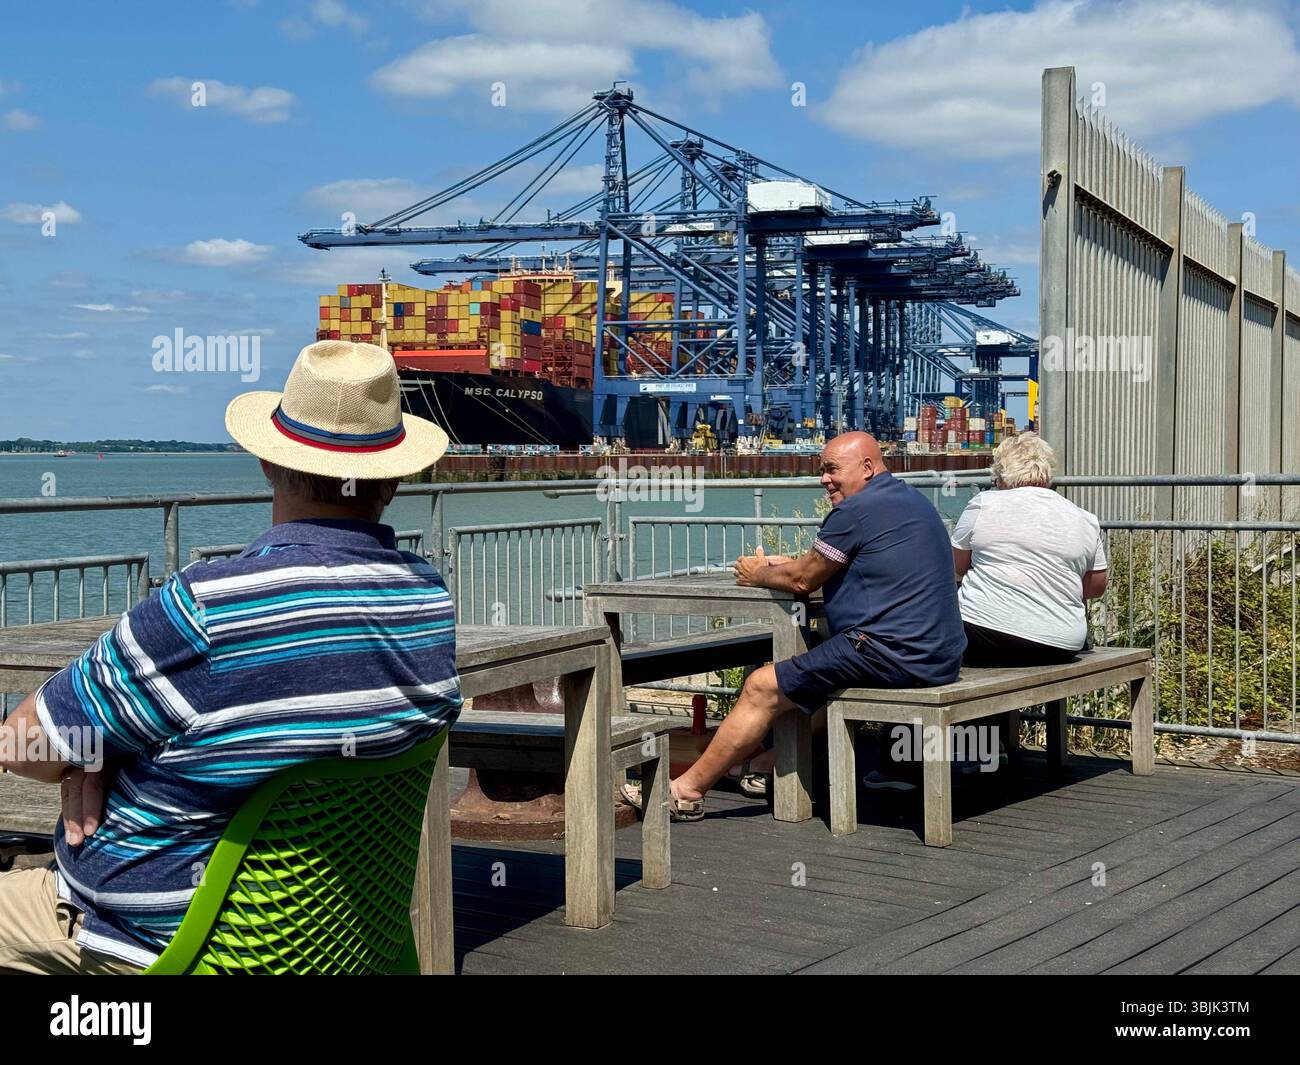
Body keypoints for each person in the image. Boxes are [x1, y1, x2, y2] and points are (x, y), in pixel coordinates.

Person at [0, 340, 461, 974]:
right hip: (338, 947)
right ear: (397, 477)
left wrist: (91, 754)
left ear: (268, 463)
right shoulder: (427, 600)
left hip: (161, 942)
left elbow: (22, 745)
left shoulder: (208, 606)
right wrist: (95, 750)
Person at [622, 431, 966, 820]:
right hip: (941, 654)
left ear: (867, 468)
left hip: (889, 651)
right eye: (822, 470)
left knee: (762, 686)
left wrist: (758, 574)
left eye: (832, 469)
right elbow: (834, 564)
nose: (824, 479)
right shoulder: (910, 500)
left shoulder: (855, 511)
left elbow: (804, 581)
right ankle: (768, 763)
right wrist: (786, 568)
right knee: (817, 677)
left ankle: (686, 791)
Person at [952, 431, 1108, 666]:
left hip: (983, 637)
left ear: (1002, 477)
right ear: (1047, 476)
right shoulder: (1085, 518)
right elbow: (1096, 587)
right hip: (1061, 644)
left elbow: (957, 566)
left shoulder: (984, 503)